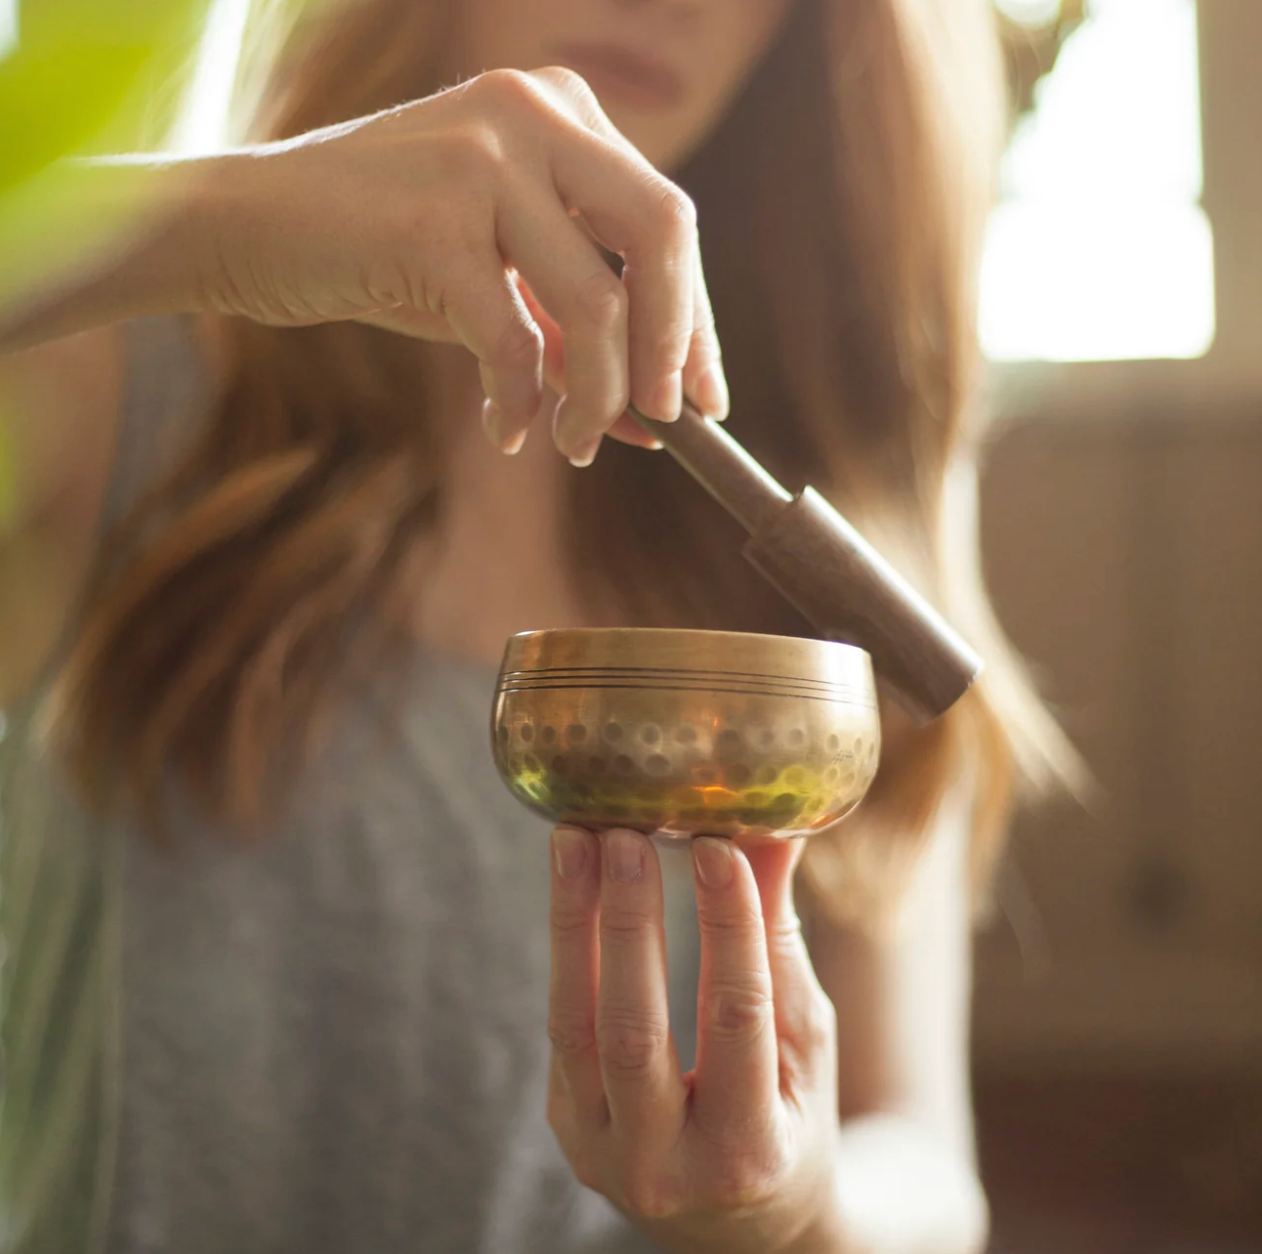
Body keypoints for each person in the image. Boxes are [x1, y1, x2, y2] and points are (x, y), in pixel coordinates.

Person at [0, 0, 1070, 1251]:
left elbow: (924, 1163)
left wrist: (792, 1209)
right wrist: (221, 226)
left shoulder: (844, 463)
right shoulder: (121, 380)